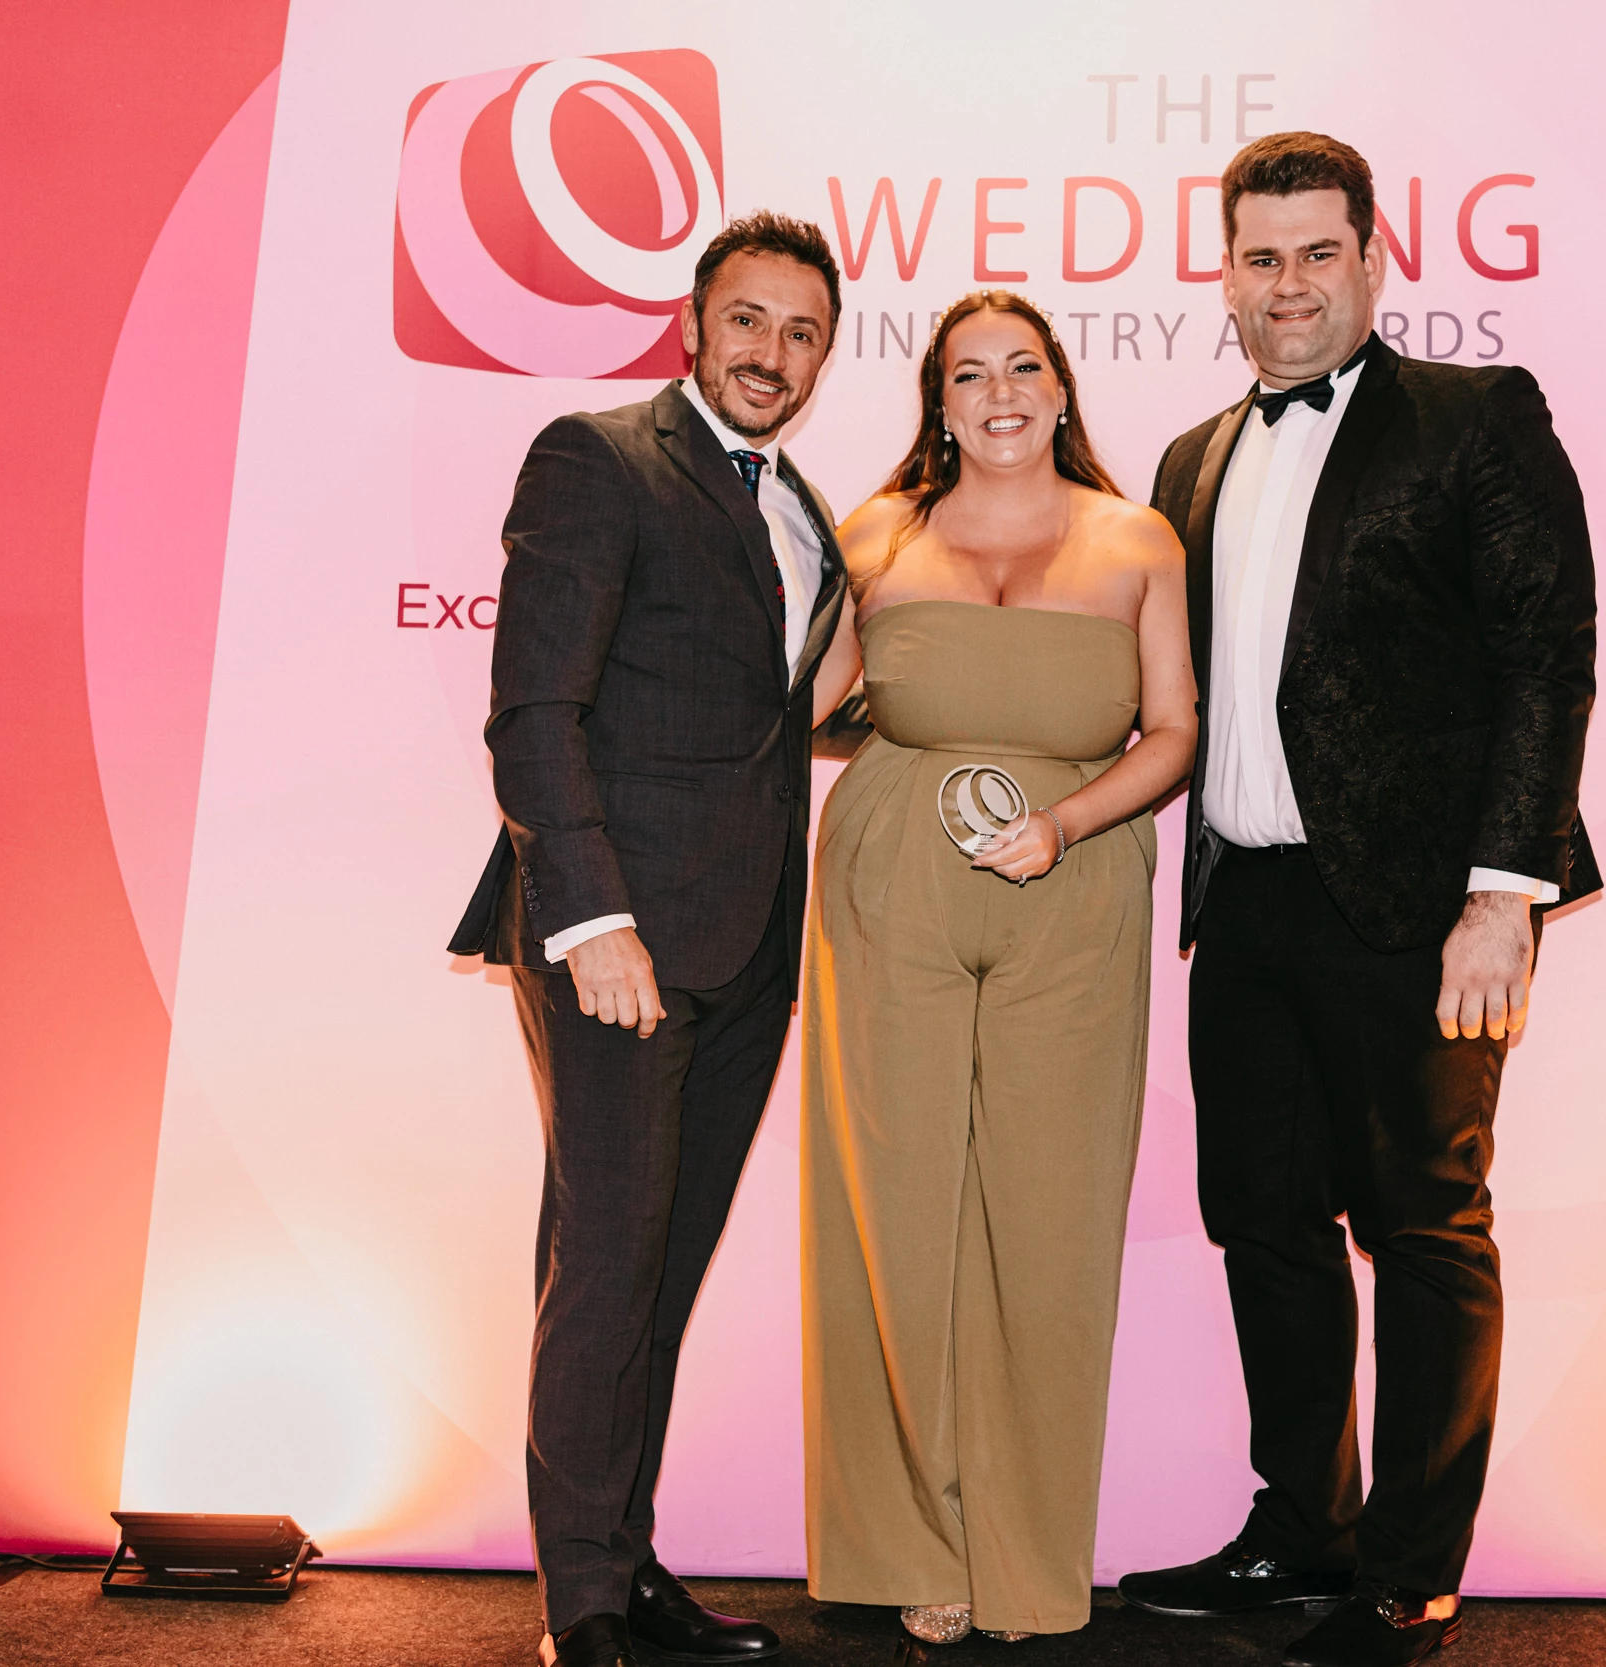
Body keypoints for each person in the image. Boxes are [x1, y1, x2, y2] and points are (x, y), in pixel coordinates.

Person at [1114, 133, 1600, 1667]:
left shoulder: (1475, 416)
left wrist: (1502, 890)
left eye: (1320, 253)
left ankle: (1410, 1569)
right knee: (1267, 1222)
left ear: (1375, 261)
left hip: (1420, 909)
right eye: (1262, 258)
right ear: (1227, 275)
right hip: (1243, 907)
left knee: (1428, 1224)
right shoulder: (1190, 459)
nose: (1291, 284)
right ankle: (1299, 1530)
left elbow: (1547, 650)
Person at [446, 211, 852, 1667]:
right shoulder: (598, 457)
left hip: (747, 956)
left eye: (804, 332)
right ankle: (582, 1612)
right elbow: (533, 712)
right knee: (608, 1268)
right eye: (749, 321)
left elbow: (775, 711)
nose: (773, 353)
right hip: (616, 944)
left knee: (661, 1277)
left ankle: (627, 1564)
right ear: (694, 325)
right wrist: (590, 920)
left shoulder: (801, 504)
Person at [798, 291, 1197, 1645]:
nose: (1002, 393)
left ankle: (1031, 1557)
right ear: (939, 400)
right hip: (890, 875)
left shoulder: (1137, 536)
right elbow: (809, 701)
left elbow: (1173, 729)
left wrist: (1069, 823)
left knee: (1051, 1219)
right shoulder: (874, 531)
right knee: (892, 1209)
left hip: (1076, 884)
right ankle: (911, 1539)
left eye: (1024, 366)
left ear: (1064, 387)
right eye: (971, 374)